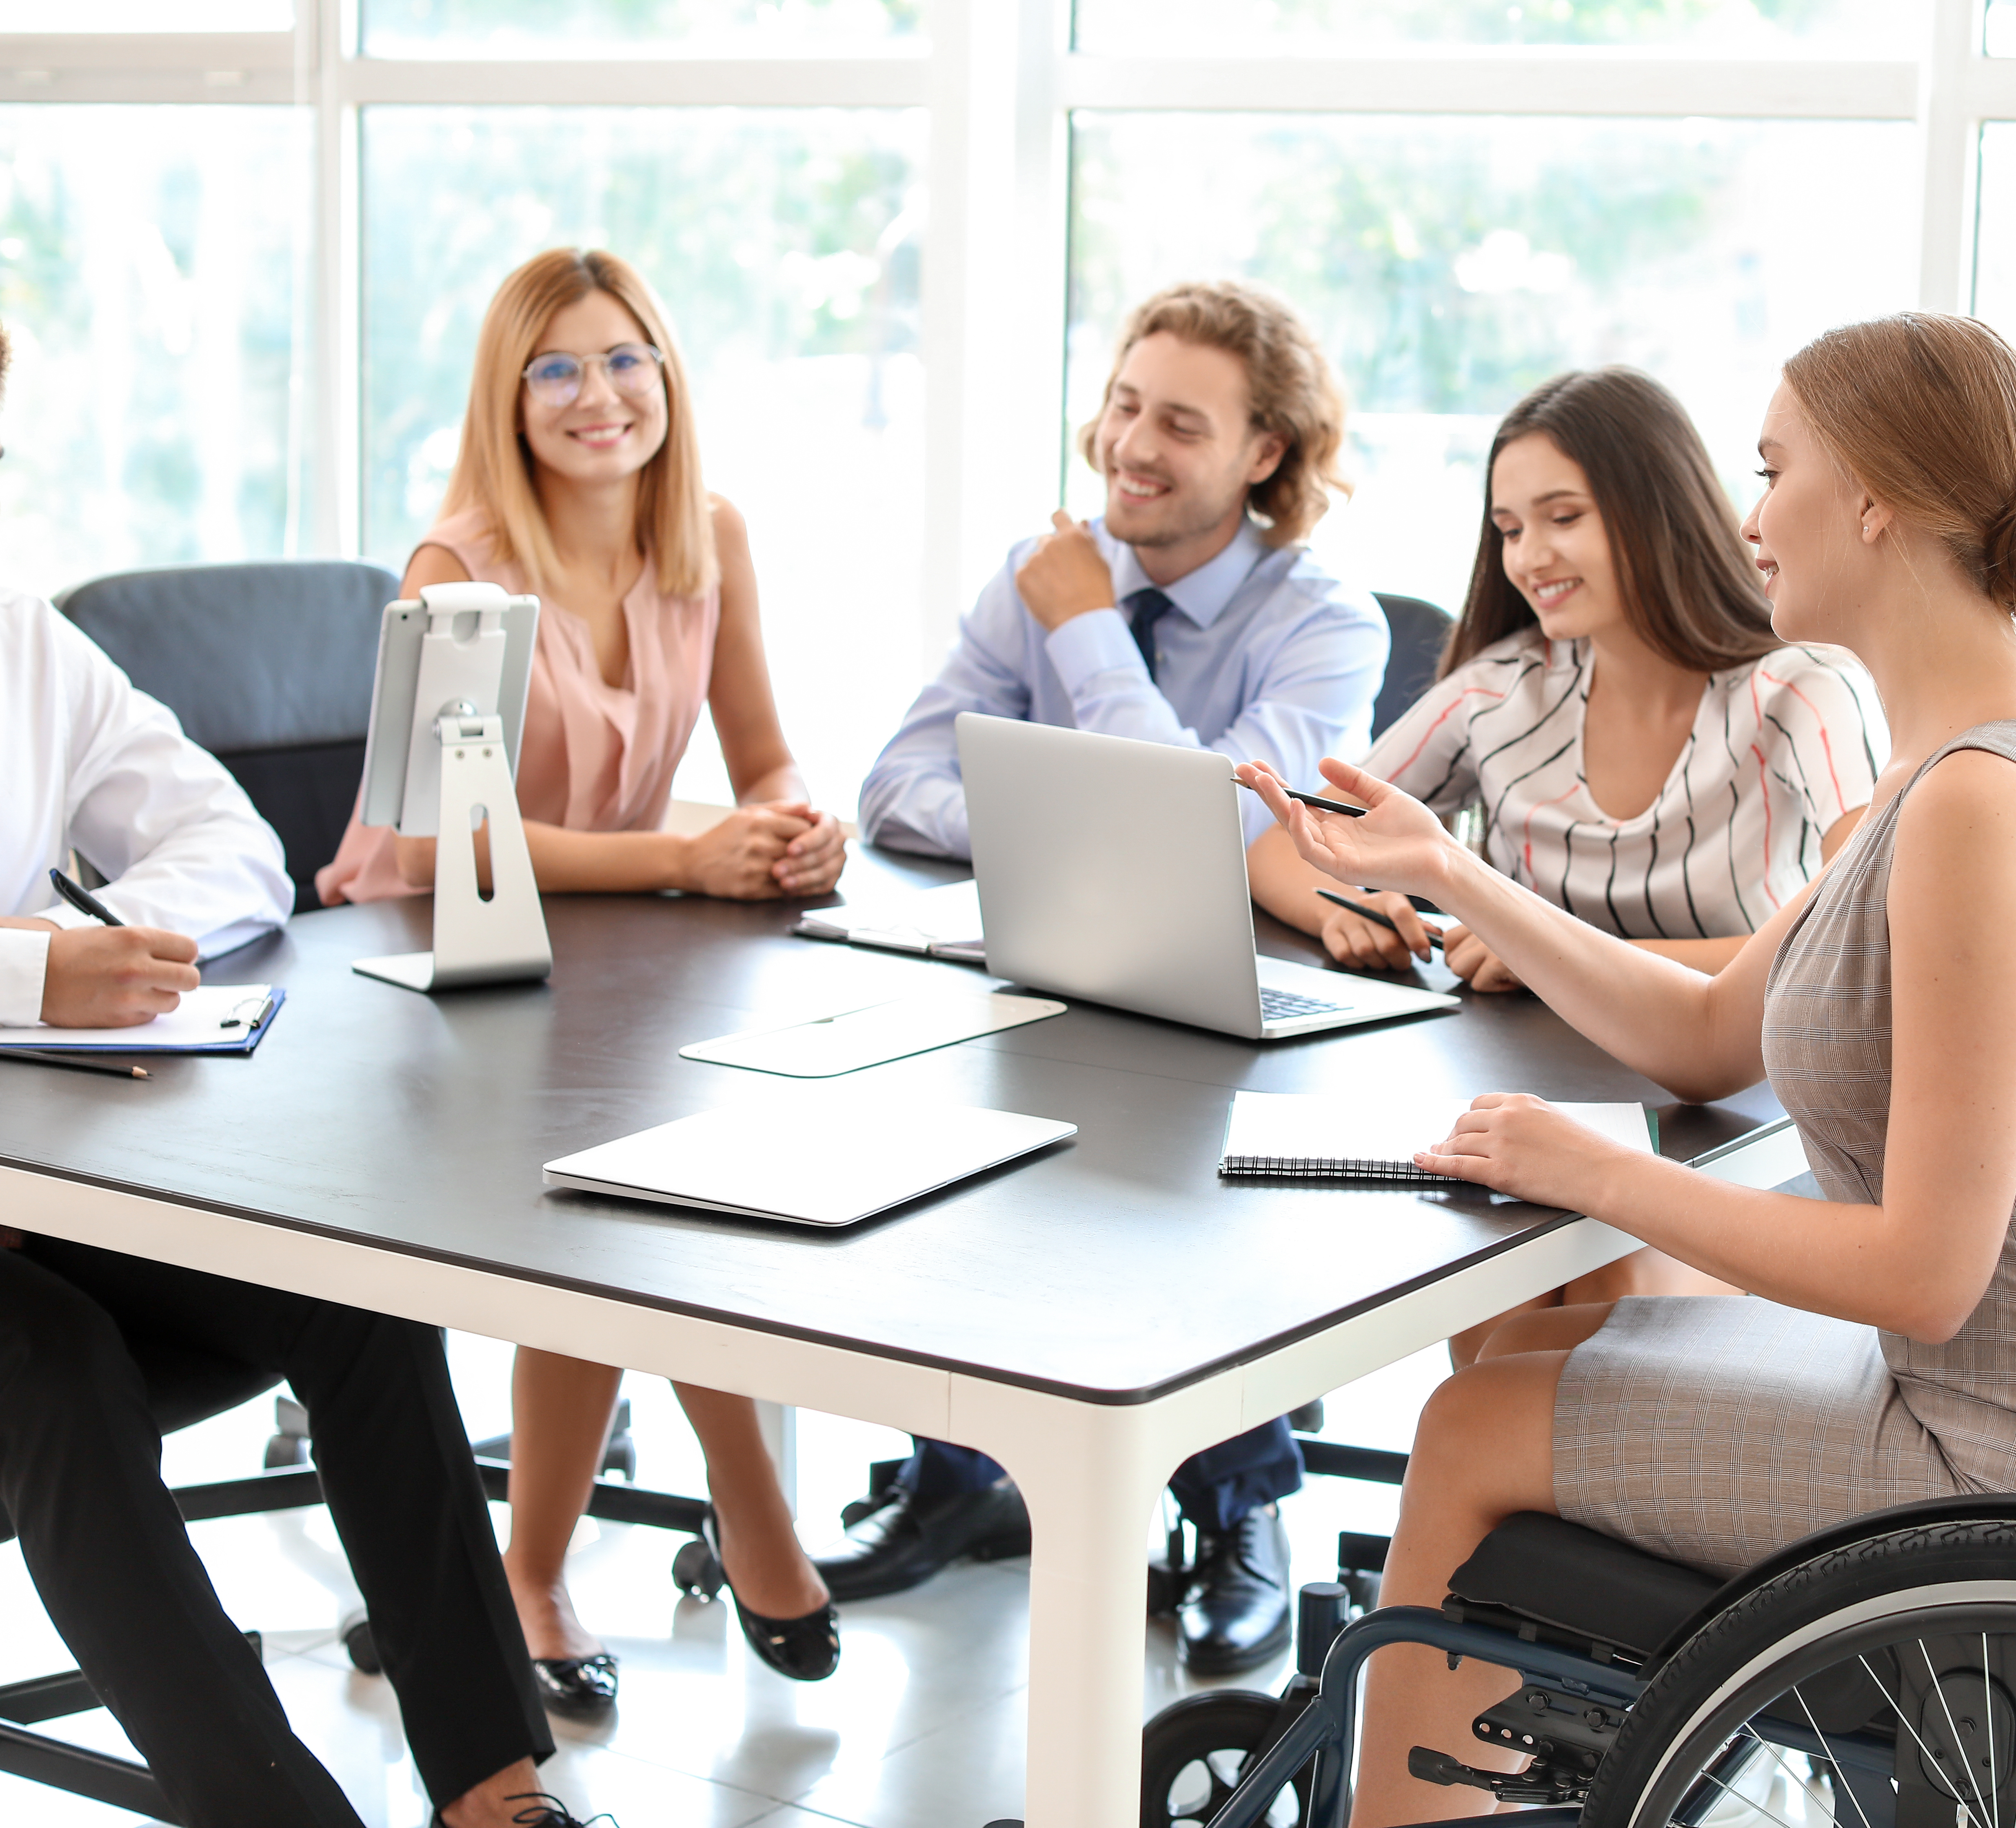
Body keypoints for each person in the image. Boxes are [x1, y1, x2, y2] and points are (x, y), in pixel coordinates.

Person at [1239, 312, 2016, 1825]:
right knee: (1511, 1371)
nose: (1750, 514)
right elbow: (1702, 1034)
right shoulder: (1952, 764)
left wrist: (1600, 1175)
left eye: (1775, 470)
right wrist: (1453, 869)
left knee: (1469, 1428)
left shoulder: (1971, 806)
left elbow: (1924, 1272)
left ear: (1878, 499)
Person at [0, 320, 593, 1828]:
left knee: (351, 1288)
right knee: (53, 1364)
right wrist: (23, 967)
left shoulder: (16, 638)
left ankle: (492, 1786)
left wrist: (126, 937)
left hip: (31, 1187)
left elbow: (229, 848)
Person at [320, 248, 848, 1717]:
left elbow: (765, 751)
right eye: (556, 368)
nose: (597, 395)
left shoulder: (711, 539)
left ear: (667, 377)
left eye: (624, 359)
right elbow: (436, 842)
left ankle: (539, 1568)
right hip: (427, 975)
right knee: (627, 1208)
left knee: (651, 1192)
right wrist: (685, 869)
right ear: (510, 397)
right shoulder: (461, 570)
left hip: (610, 967)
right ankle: (739, 1517)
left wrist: (804, 819)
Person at [843, 278, 1385, 1673]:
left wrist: (1085, 637)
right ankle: (964, 1476)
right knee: (914, 1120)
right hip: (1032, 973)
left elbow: (1217, 833)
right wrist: (1051, 844)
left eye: (1180, 424)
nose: (1130, 446)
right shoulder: (1038, 574)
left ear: (1265, 453)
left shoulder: (1325, 624)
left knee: (1155, 1163)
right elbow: (897, 785)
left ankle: (1241, 1506)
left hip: (1235, 1010)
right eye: (1124, 404)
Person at [1260, 366, 1885, 1365]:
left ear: (1655, 511)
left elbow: (1852, 931)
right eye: (1509, 528)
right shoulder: (1499, 693)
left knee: (1587, 1311)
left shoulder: (1800, 689)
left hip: (1732, 1124)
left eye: (1563, 516)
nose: (1530, 555)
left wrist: (1551, 947)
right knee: (1504, 1311)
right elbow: (1288, 838)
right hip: (1532, 1106)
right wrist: (1345, 904)